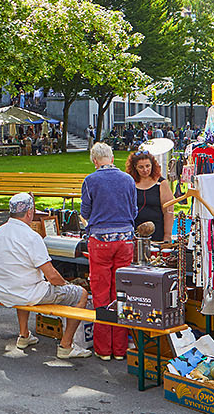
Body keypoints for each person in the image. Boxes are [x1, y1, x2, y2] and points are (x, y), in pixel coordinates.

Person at [0, 193, 94, 358]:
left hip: (2, 291)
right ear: (30, 212)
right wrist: (66, 286)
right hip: (25, 293)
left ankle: (24, 335)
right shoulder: (31, 236)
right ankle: (66, 346)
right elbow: (52, 276)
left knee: (25, 283)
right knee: (81, 294)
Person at [80, 142, 137, 361]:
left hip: (100, 240)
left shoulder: (91, 180)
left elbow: (85, 211)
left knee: (101, 293)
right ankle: (121, 348)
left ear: (94, 160)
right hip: (125, 240)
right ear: (112, 158)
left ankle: (104, 349)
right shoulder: (128, 179)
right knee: (121, 292)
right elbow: (133, 210)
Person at [127, 151, 173, 241]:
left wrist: (167, 236)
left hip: (157, 231)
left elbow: (168, 211)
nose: (145, 170)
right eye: (141, 167)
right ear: (135, 167)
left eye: (148, 166)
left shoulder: (161, 183)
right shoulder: (130, 183)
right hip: (134, 232)